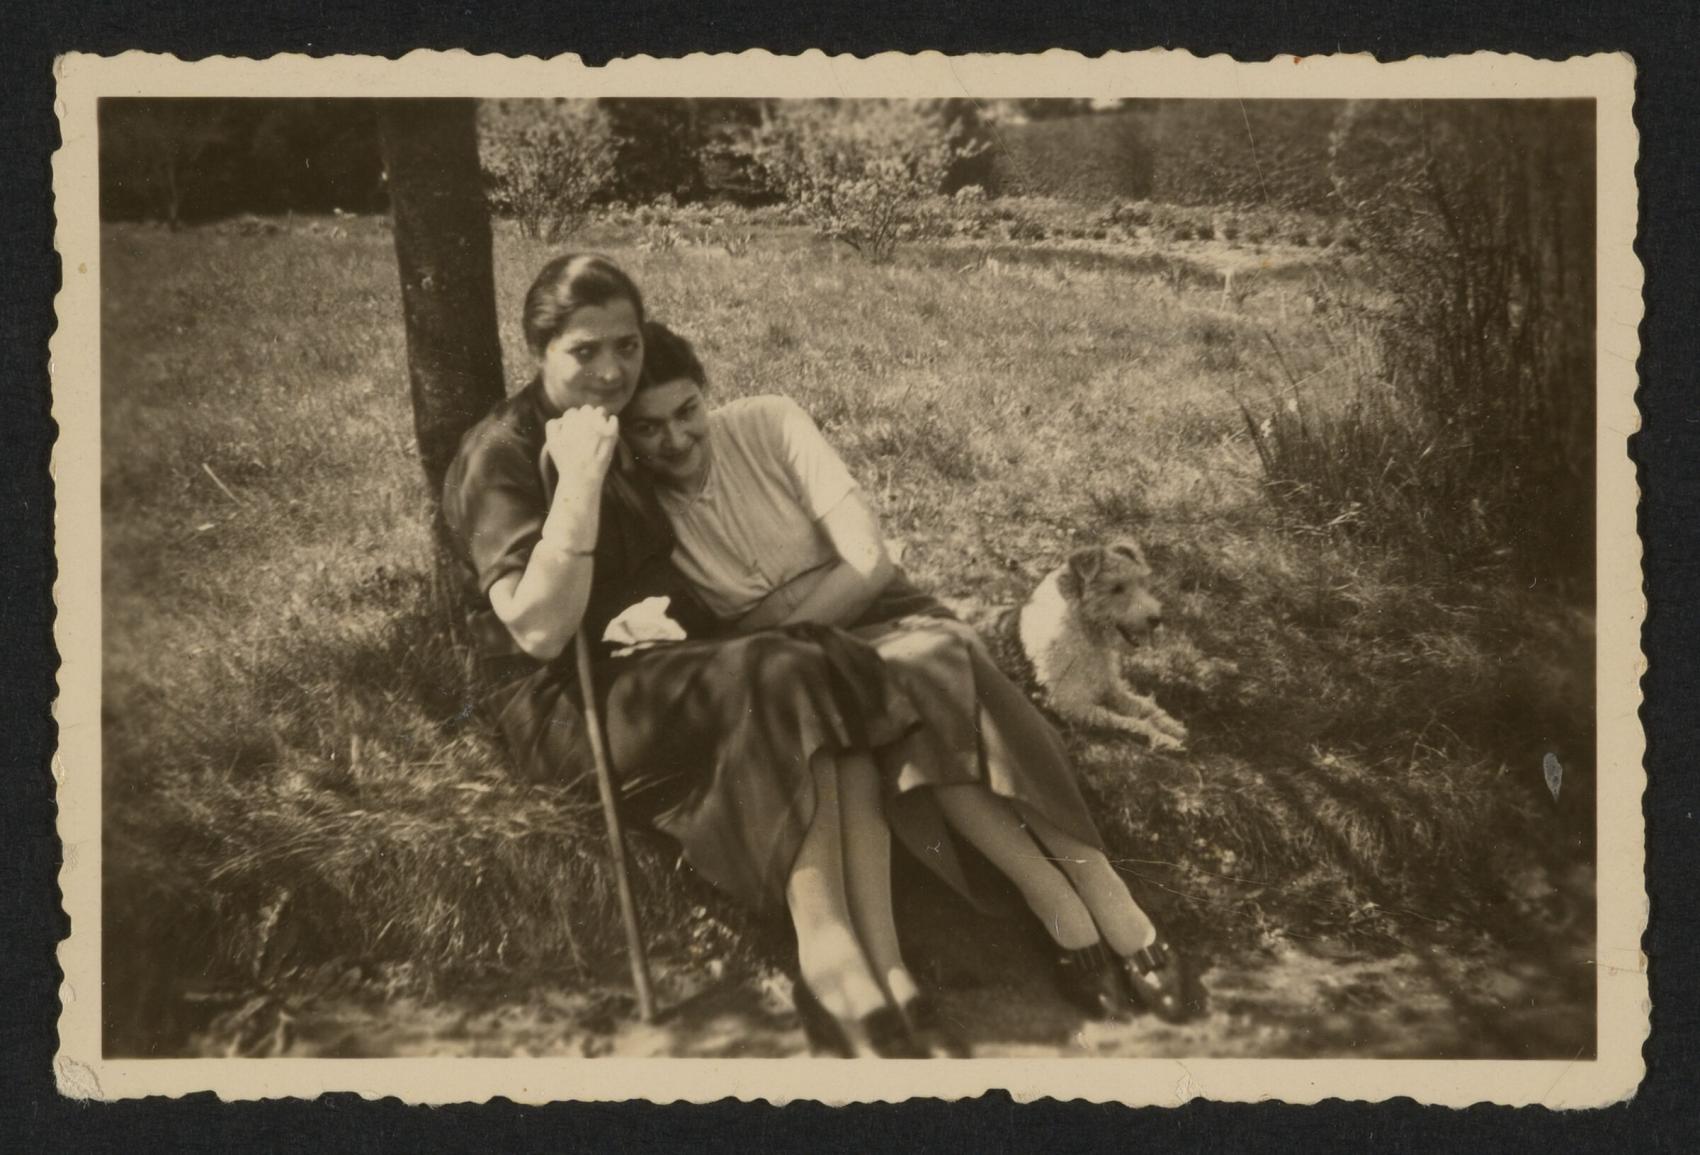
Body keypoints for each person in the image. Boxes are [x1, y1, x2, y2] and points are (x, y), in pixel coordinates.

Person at [440, 254, 964, 1058]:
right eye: (585, 351)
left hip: (660, 667)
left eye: (626, 345)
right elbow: (540, 633)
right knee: (786, 667)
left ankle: (879, 952)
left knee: (820, 657)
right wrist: (577, 487)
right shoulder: (503, 455)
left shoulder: (627, 432)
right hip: (564, 700)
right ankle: (826, 956)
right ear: (538, 350)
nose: (612, 370)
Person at [618, 320, 1197, 1026]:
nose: (676, 440)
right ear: (625, 437)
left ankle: (1105, 893)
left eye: (687, 411)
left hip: (870, 618)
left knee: (929, 666)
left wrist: (774, 611)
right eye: (648, 429)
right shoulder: (641, 513)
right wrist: (808, 598)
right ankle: (1061, 905)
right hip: (796, 665)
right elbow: (715, 637)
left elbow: (870, 563)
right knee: (906, 697)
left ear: (707, 396)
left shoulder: (768, 423)